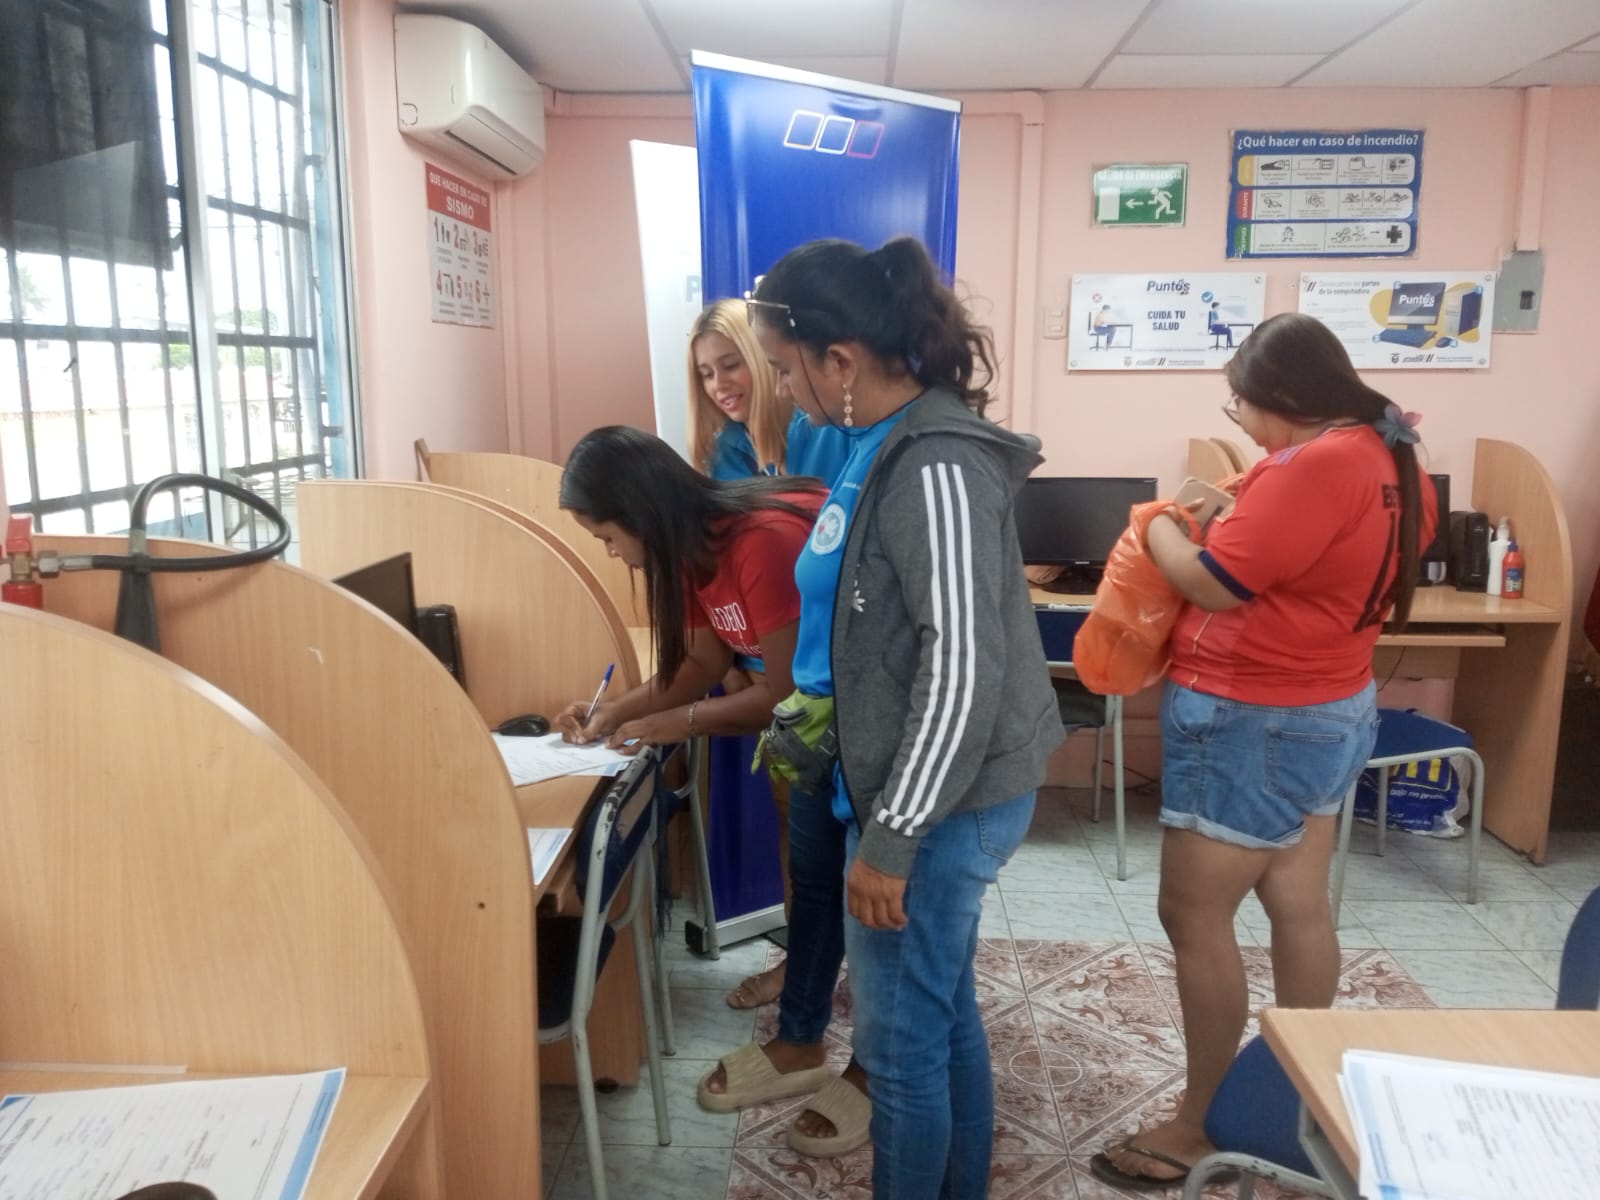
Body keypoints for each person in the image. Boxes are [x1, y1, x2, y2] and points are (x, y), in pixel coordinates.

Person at [733, 236, 1060, 1194]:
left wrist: (892, 839)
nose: (781, 389)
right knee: (940, 1017)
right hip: (906, 790)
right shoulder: (880, 446)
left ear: (839, 360)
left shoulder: (935, 464)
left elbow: (961, 667)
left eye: (784, 366)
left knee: (902, 1051)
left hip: (941, 805)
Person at [1091, 312, 1437, 1192]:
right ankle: (1297, 1095)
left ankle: (1198, 1123)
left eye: (1241, 405)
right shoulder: (1388, 455)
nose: (1241, 424)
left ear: (1281, 394)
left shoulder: (1314, 466)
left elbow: (1214, 582)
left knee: (1193, 916)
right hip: (1330, 704)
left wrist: (1156, 523)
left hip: (1256, 718)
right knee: (1297, 900)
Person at [553, 426, 830, 1010]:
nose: (611, 553)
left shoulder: (759, 541)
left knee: (831, 864)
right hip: (811, 726)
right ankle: (808, 966)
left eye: (607, 537)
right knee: (805, 853)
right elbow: (703, 661)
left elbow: (785, 695)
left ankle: (815, 983)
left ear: (639, 512)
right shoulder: (684, 549)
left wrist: (677, 723)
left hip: (853, 721)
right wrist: (614, 712)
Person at [687, 299, 849, 484]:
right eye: (707, 374)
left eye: (730, 365)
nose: (719, 384)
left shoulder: (832, 426)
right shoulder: (722, 455)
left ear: (765, 359)